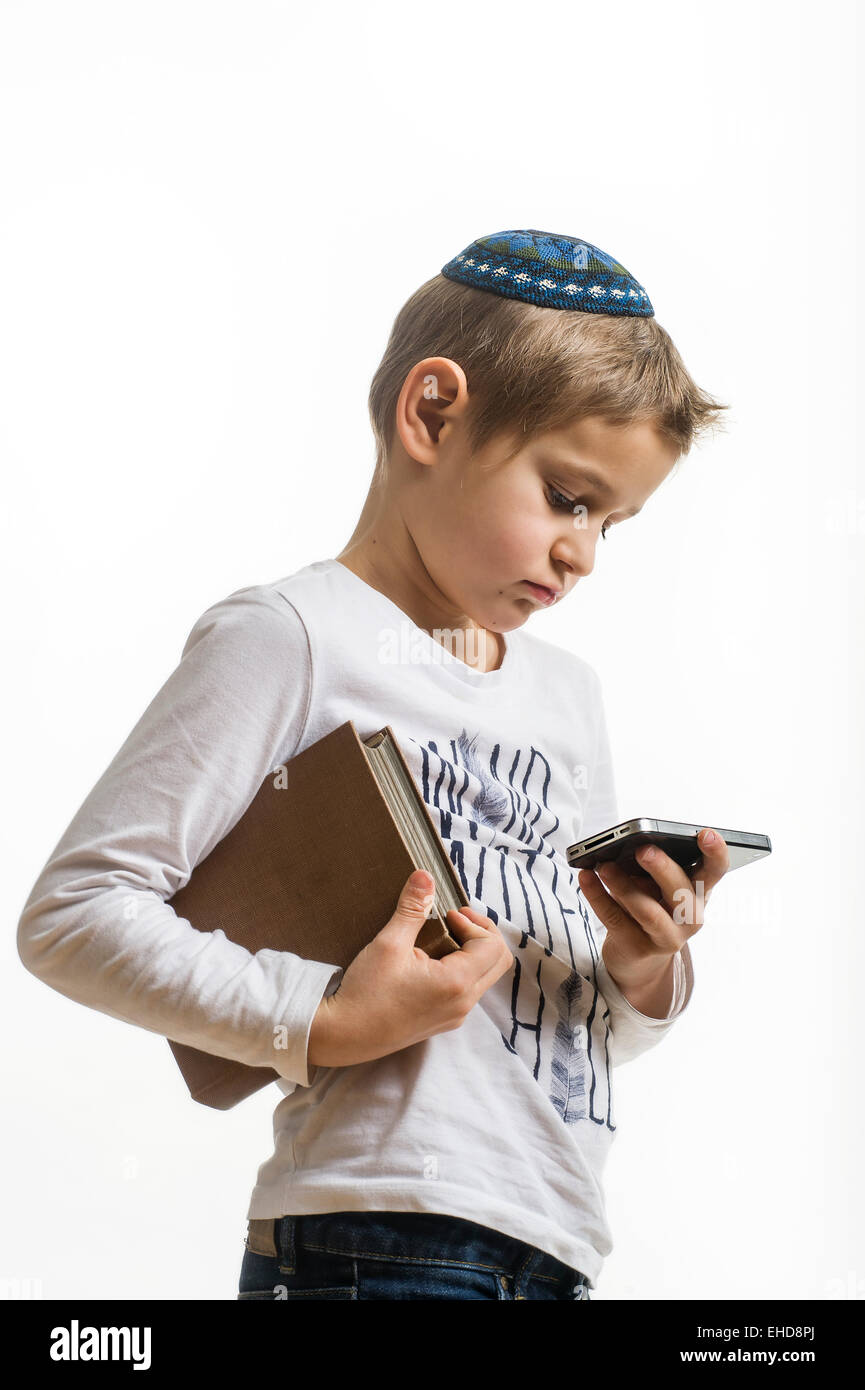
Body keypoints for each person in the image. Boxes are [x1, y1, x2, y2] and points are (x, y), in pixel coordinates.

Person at [17, 228, 733, 1301]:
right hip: (379, 1241)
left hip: (556, 1248)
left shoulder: (567, 698)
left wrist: (639, 969)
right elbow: (73, 914)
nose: (582, 551)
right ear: (432, 414)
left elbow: (548, 1027)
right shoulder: (295, 635)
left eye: (611, 523)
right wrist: (324, 1019)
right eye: (569, 498)